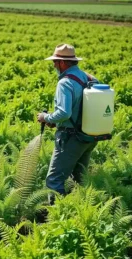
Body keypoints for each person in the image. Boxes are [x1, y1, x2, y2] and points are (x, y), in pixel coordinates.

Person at [37, 44, 98, 204]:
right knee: (79, 177)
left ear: (62, 63)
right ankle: (84, 208)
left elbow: (65, 112)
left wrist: (46, 117)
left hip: (71, 138)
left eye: (55, 62)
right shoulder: (88, 78)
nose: (54, 66)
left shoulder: (65, 82)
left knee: (54, 180)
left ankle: (58, 216)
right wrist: (56, 121)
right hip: (89, 135)